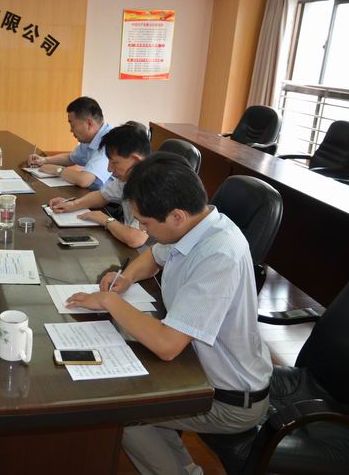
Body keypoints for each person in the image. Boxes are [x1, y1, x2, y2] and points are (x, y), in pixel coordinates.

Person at [65, 153, 272, 475]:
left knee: (121, 411)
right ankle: (186, 468)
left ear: (176, 216)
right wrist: (126, 278)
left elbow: (167, 345)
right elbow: (154, 256)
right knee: (130, 392)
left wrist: (109, 301)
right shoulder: (197, 225)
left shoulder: (219, 254)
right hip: (197, 369)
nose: (142, 229)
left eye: (146, 223)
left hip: (228, 398)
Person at [47, 124, 151, 249]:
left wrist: (106, 220)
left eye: (115, 163)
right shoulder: (127, 178)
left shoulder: (151, 186)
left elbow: (135, 239)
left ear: (136, 160)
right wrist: (73, 204)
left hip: (148, 251)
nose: (109, 169)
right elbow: (102, 196)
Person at [27, 96, 113, 190]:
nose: (71, 130)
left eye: (72, 125)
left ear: (89, 123)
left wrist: (57, 170)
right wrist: (44, 160)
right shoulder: (90, 138)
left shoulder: (109, 141)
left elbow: (84, 180)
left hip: (110, 198)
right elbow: (71, 158)